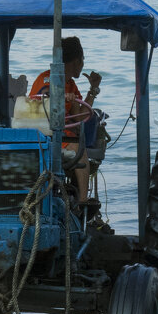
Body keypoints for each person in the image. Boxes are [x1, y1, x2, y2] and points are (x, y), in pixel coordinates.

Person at [28, 35, 102, 208]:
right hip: (44, 136)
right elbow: (44, 97)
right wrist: (59, 95)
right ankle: (83, 202)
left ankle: (75, 199)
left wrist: (93, 90)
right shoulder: (47, 78)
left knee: (80, 144)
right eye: (82, 60)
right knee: (79, 149)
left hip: (63, 136)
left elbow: (80, 118)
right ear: (76, 61)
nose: (83, 64)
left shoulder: (71, 85)